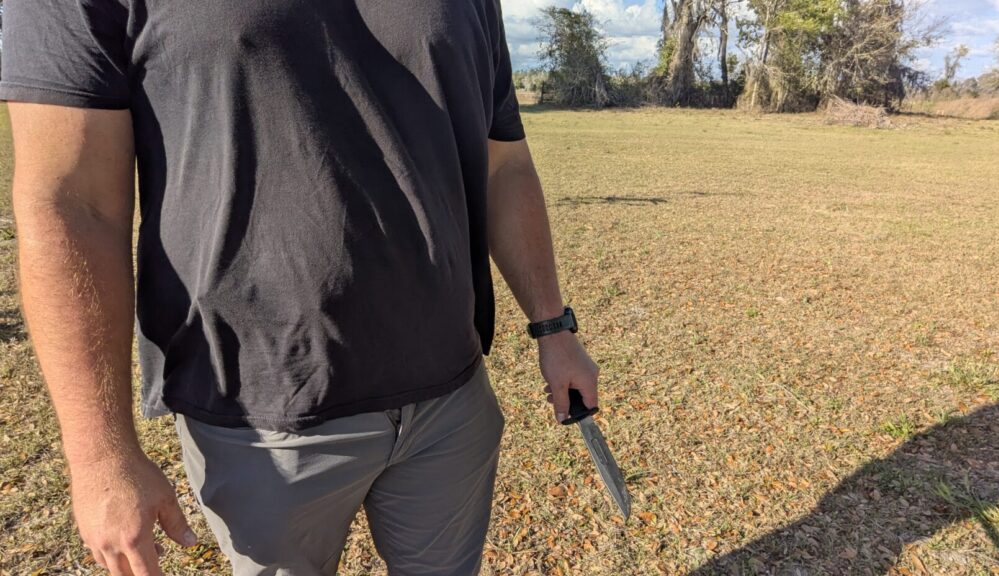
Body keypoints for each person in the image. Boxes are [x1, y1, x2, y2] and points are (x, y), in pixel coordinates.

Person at [0, 1, 600, 575]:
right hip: (260, 418)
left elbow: (505, 163)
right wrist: (99, 453)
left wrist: (553, 327)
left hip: (452, 399)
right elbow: (71, 205)